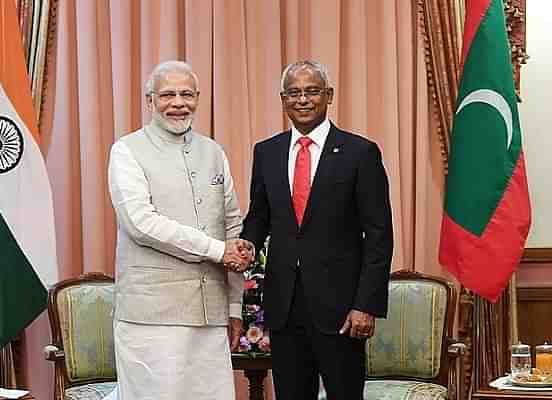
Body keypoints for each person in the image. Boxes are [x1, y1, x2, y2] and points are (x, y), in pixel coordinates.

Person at [241, 60, 394, 400]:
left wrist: (366, 305)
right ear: (283, 99)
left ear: (329, 95)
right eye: (294, 93)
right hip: (284, 305)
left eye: (312, 91)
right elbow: (259, 217)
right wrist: (246, 244)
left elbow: (379, 236)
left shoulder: (360, 153)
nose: (303, 100)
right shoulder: (267, 152)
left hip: (341, 309)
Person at [108, 60, 254, 400]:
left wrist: (234, 308)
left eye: (186, 94)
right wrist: (218, 250)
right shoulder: (127, 150)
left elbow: (232, 224)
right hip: (152, 316)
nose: (178, 103)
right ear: (150, 101)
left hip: (210, 314)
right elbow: (141, 224)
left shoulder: (213, 152)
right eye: (168, 94)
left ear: (198, 98)